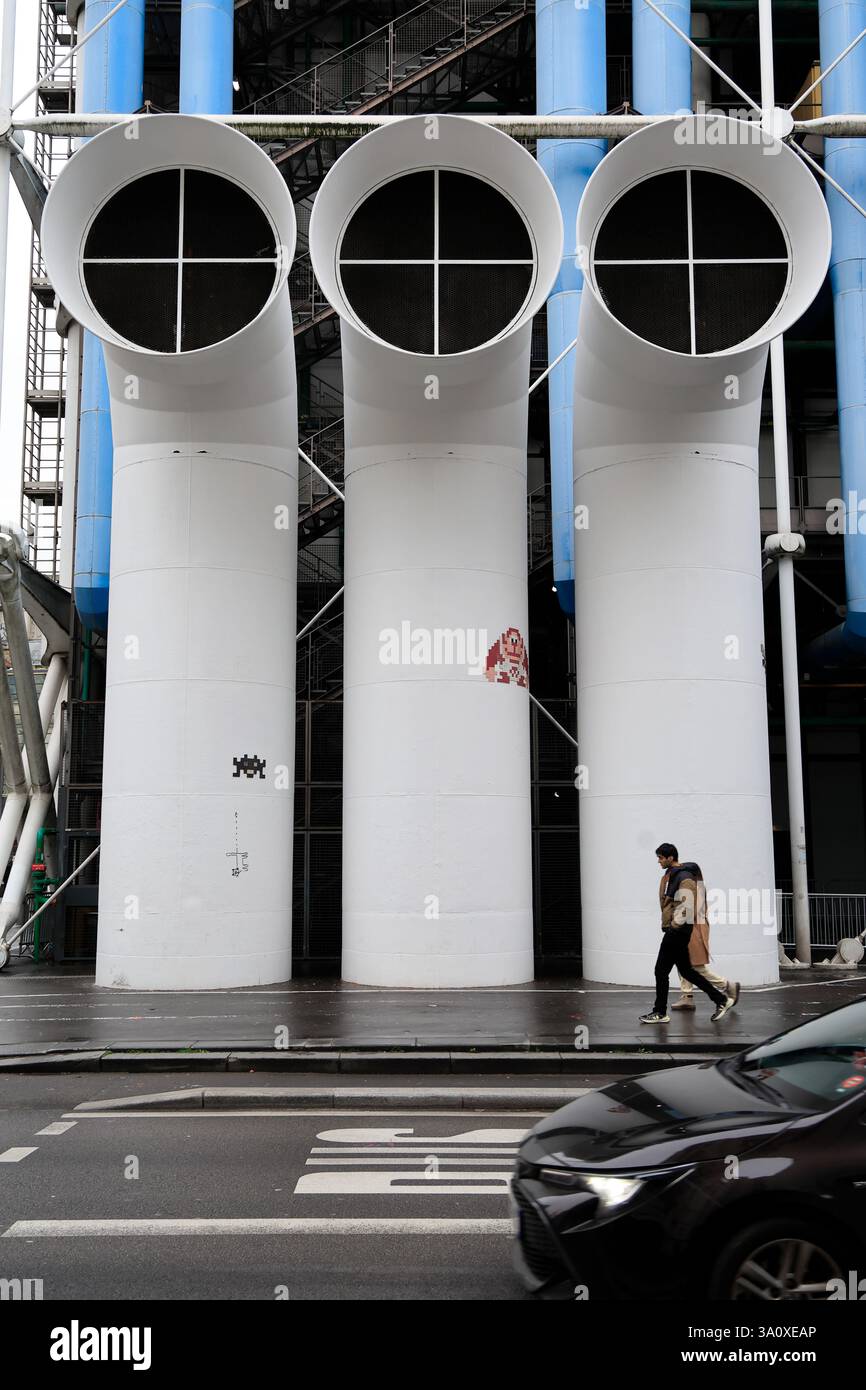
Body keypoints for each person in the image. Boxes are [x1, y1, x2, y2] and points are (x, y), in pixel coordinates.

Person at [639, 843, 738, 1024]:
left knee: (660, 971)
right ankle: (721, 1000)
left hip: (677, 932)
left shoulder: (684, 877)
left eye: (661, 858)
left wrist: (674, 926)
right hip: (679, 931)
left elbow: (687, 906)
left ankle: (660, 1012)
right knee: (687, 971)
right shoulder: (674, 875)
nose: (659, 861)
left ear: (671, 857)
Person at [660, 854, 741, 1012]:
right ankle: (687, 996)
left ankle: (727, 986)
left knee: (694, 966)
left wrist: (676, 921)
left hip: (694, 929)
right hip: (691, 927)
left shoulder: (694, 887)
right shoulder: (694, 885)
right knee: (683, 963)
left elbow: (690, 910)